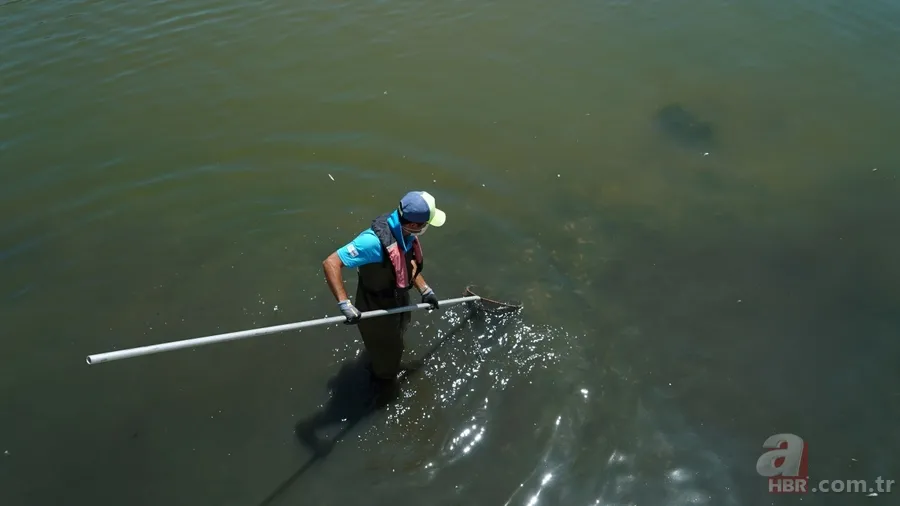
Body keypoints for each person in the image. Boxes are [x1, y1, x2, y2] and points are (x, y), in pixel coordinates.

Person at [322, 190, 446, 382]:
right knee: (386, 358)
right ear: (414, 224)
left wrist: (425, 289)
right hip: (376, 307)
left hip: (398, 299)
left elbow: (406, 264)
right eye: (426, 223)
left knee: (399, 337)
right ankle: (384, 383)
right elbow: (331, 263)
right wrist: (344, 303)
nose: (427, 227)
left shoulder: (405, 232)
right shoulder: (372, 242)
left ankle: (388, 356)